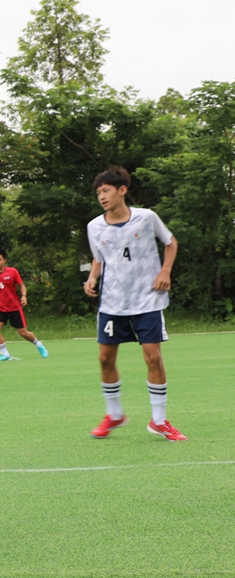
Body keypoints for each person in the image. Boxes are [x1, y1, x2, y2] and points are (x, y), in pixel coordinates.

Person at [84, 167, 184, 441]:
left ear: (122, 190)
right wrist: (92, 278)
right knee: (105, 358)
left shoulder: (146, 218)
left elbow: (170, 242)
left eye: (106, 190)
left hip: (147, 298)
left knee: (153, 357)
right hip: (113, 302)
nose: (102, 196)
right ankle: (114, 414)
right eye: (98, 193)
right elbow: (99, 258)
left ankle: (159, 420)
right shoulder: (94, 226)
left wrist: (165, 271)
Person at [0, 251, 49, 361]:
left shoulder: (12, 272)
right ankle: (5, 355)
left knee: (23, 333)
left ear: (4, 260)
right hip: (0, 308)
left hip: (14, 307)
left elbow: (21, 285)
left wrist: (24, 296)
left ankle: (38, 344)